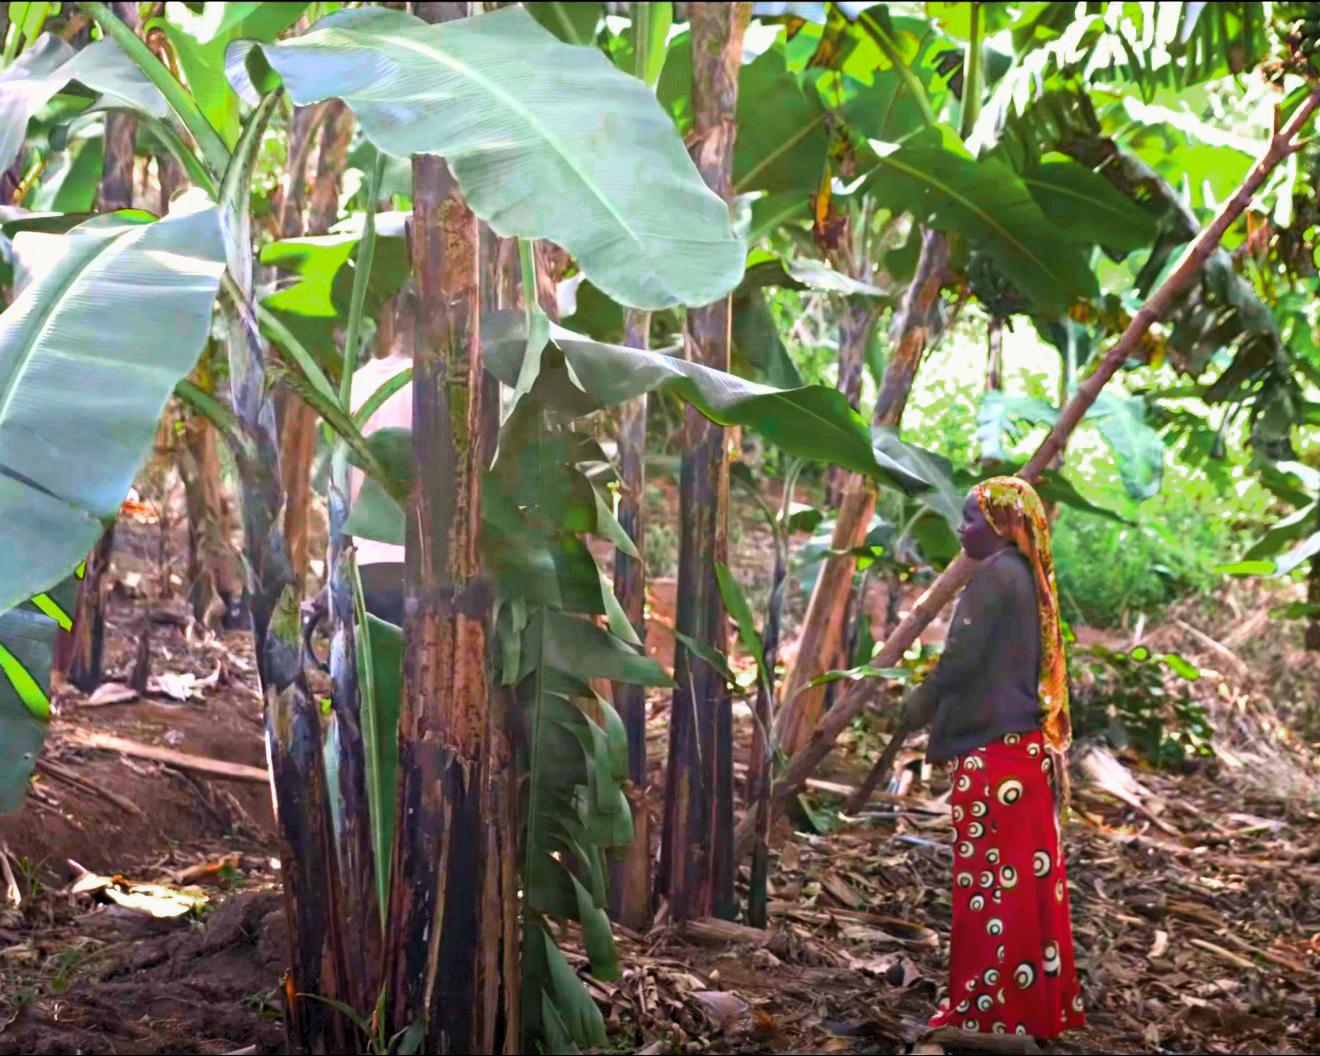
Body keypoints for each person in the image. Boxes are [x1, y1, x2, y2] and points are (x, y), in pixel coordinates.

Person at [901, 476, 1085, 1041]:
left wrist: (915, 706)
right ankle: (1033, 1011)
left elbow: (959, 660)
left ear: (1003, 526)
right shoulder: (1027, 578)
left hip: (992, 757)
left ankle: (983, 1012)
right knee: (1025, 887)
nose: (962, 528)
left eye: (972, 519)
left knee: (987, 889)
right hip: (1021, 754)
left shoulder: (995, 577)